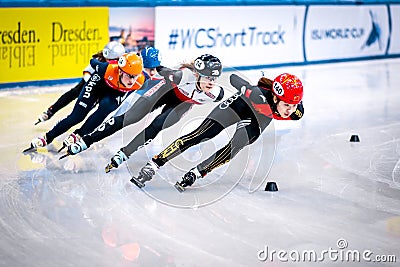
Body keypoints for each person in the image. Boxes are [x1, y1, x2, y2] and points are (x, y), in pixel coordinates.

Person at [129, 72, 305, 191]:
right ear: (275, 97)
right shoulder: (259, 95)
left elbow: (294, 110)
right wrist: (246, 88)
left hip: (258, 119)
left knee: (236, 146)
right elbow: (234, 78)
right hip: (238, 106)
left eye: (293, 106)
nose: (289, 110)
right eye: (286, 105)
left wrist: (291, 107)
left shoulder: (296, 112)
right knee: (200, 135)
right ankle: (155, 163)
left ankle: (198, 172)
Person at [63, 54, 225, 173]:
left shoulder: (216, 94)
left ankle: (126, 152)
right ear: (196, 74)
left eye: (214, 78)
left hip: (181, 104)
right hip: (165, 90)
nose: (211, 82)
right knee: (130, 117)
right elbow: (161, 69)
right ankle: (87, 140)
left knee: (157, 125)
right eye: (207, 77)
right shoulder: (182, 76)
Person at [24, 52, 146, 153]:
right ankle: (48, 137)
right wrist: (97, 58)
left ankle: (79, 134)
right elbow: (93, 62)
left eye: (135, 76)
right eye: (130, 76)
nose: (132, 80)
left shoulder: (140, 81)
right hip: (98, 84)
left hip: (115, 93)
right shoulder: (107, 68)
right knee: (77, 116)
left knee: (106, 108)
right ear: (120, 71)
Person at [35, 41, 126, 125]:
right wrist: (90, 85)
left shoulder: (124, 63)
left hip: (107, 87)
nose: (108, 62)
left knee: (97, 105)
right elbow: (86, 72)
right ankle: (51, 110)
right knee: (76, 91)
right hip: (92, 82)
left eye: (111, 60)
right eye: (107, 59)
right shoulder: (100, 60)